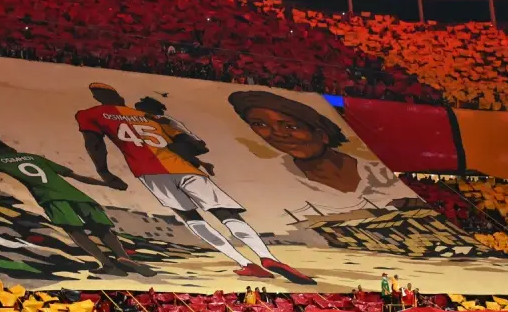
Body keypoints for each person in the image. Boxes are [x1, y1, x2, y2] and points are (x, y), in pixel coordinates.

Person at [76, 83, 315, 285]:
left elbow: (94, 144)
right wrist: (198, 161)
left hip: (150, 172)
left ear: (97, 97)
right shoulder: (149, 116)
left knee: (191, 218)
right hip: (183, 168)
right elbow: (186, 144)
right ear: (119, 96)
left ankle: (245, 263)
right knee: (225, 213)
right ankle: (267, 257)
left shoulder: (90, 114)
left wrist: (104, 172)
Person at [0, 137, 155, 277]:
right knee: (102, 228)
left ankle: (107, 264)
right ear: (8, 146)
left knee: (75, 230)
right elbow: (74, 176)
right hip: (76, 194)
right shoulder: (34, 157)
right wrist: (106, 184)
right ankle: (123, 257)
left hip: (50, 198)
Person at [228, 91, 417, 212]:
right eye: (260, 124)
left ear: (321, 135)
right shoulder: (273, 178)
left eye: (290, 126)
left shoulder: (377, 173)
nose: (277, 134)